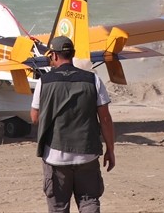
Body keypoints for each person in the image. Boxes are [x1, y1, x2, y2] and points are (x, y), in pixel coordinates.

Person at [31, 35, 116, 213]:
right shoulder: (93, 80)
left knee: (59, 207)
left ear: (54, 56)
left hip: (55, 156)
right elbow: (106, 119)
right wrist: (110, 149)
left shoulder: (43, 82)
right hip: (87, 154)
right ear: (73, 54)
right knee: (89, 201)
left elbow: (34, 118)